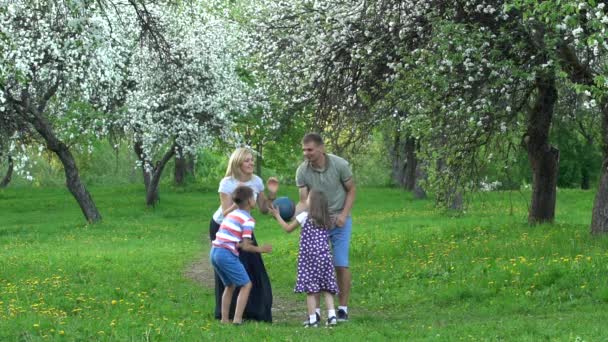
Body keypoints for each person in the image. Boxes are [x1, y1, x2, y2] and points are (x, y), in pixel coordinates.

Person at [209, 147, 278, 323]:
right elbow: (225, 212)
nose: (251, 163)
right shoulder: (227, 182)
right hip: (222, 226)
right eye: (247, 160)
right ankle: (226, 315)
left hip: (243, 225)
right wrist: (238, 197)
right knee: (227, 271)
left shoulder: (256, 181)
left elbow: (263, 209)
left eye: (252, 160)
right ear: (238, 163)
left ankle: (254, 312)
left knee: (253, 265)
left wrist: (270, 194)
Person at [295, 133, 356, 322]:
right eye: (304, 150)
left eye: (310, 149)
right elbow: (304, 201)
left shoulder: (340, 165)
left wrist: (344, 216)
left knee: (340, 263)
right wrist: (296, 218)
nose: (306, 153)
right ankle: (317, 312)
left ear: (321, 148)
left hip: (338, 219)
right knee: (315, 265)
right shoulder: (302, 171)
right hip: (317, 223)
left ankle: (342, 309)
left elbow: (351, 190)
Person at [269, 190, 339, 327]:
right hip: (325, 257)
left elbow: (288, 228)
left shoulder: (304, 216)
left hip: (309, 258)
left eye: (308, 198)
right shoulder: (327, 218)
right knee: (327, 287)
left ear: (311, 202)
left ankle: (313, 320)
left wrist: (277, 215)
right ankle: (332, 317)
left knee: (311, 290)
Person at [210, 185, 273, 324]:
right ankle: (237, 320)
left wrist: (237, 244)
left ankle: (224, 320)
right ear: (250, 201)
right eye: (254, 197)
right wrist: (261, 249)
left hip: (215, 252)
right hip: (226, 254)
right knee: (246, 285)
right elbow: (246, 246)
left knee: (230, 285)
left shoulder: (231, 214)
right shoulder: (248, 220)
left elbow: (230, 238)